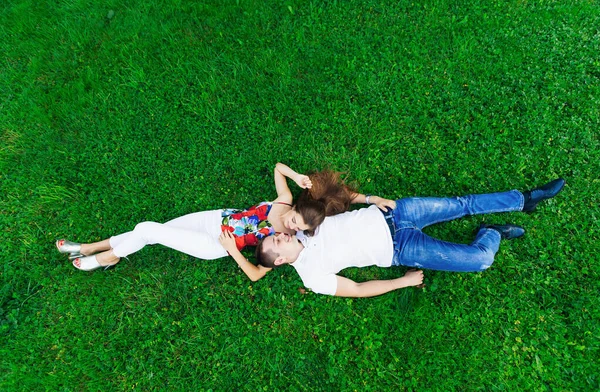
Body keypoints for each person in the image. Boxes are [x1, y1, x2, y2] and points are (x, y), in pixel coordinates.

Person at [56, 163, 395, 281]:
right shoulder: (286, 201)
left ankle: (105, 257)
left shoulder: (285, 241)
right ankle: (93, 247)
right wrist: (297, 176)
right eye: (295, 221)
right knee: (150, 232)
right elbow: (278, 168)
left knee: (148, 230)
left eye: (298, 229)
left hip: (214, 244)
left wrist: (232, 251)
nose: (291, 227)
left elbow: (258, 272)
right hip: (215, 218)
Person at [255, 178, 566, 297]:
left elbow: (334, 196)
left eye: (276, 236)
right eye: (276, 242)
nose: (279, 236)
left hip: (395, 213)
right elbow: (358, 288)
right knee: (480, 260)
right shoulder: (311, 276)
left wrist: (371, 198)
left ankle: (525, 199)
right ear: (280, 260)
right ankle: (490, 233)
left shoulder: (301, 223)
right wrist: (400, 282)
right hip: (403, 248)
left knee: (462, 204)